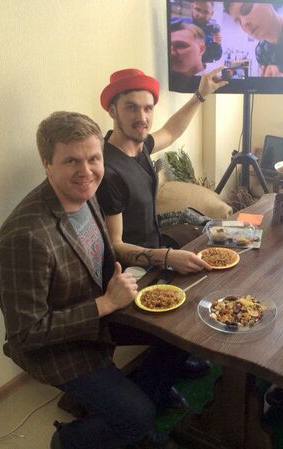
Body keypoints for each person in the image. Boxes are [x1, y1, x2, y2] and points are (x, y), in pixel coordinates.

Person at [0, 111, 185, 449]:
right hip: (59, 347)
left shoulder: (88, 191)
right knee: (137, 417)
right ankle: (68, 439)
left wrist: (167, 258)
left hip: (102, 316)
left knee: (179, 332)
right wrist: (105, 304)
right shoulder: (25, 237)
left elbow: (108, 251)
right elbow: (25, 335)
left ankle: (145, 398)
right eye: (71, 161)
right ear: (47, 164)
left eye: (94, 158)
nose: (86, 171)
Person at [96, 67, 227, 376]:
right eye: (131, 108)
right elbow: (115, 245)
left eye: (147, 108)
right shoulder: (108, 170)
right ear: (112, 110)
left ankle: (176, 358)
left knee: (209, 276)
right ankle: (156, 384)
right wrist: (168, 257)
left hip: (155, 245)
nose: (142, 117)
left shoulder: (138, 144)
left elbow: (170, 131)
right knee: (186, 315)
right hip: (128, 269)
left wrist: (200, 95)